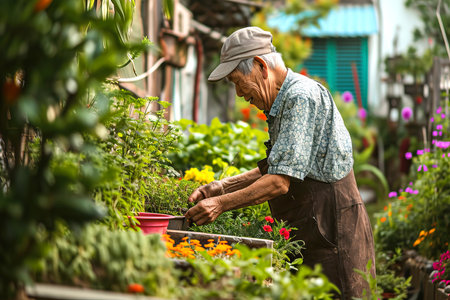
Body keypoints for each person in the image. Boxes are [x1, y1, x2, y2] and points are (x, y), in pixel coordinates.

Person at [184, 26, 376, 299]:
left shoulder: (300, 97)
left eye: (238, 81)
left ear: (261, 66)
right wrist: (220, 187)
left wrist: (220, 204)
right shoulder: (284, 99)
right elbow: (278, 165)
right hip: (315, 226)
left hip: (334, 229)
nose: (239, 93)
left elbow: (278, 181)